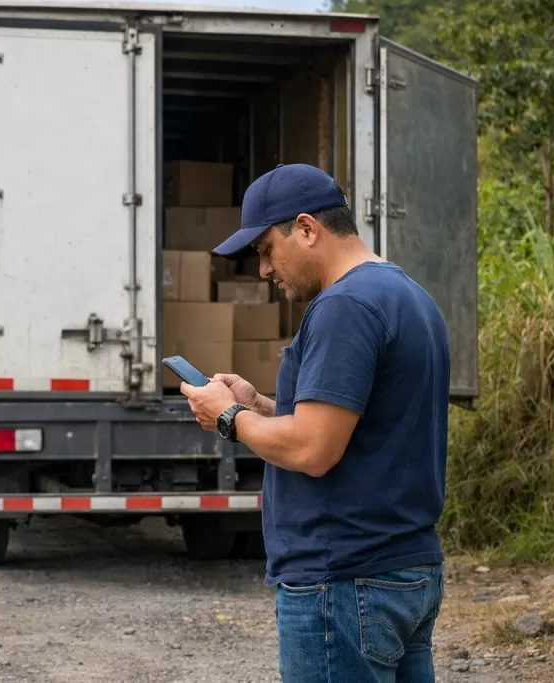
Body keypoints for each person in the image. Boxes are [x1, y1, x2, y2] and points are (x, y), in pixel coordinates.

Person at [180, 163, 450, 683]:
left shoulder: (343, 306)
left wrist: (228, 418)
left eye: (265, 250)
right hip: (404, 570)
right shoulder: (409, 297)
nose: (262, 270)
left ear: (306, 229)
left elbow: (312, 450)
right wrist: (259, 405)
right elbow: (356, 428)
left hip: (345, 582)